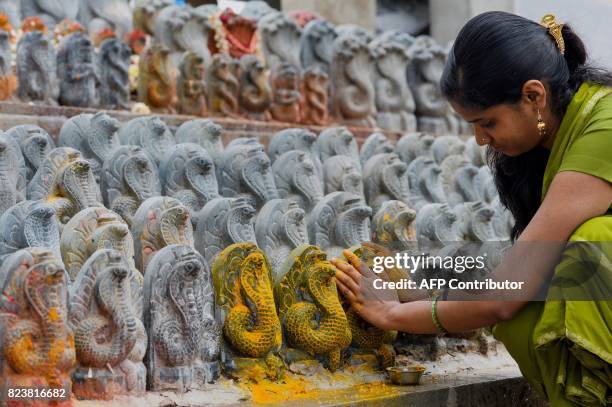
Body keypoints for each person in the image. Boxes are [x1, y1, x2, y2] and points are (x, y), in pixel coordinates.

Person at [331, 11, 612, 407]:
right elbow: (515, 282)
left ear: (534, 96)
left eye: (487, 122)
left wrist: (392, 314)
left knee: (593, 244)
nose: (480, 139)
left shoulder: (605, 130)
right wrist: (419, 295)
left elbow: (503, 297)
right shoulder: (551, 138)